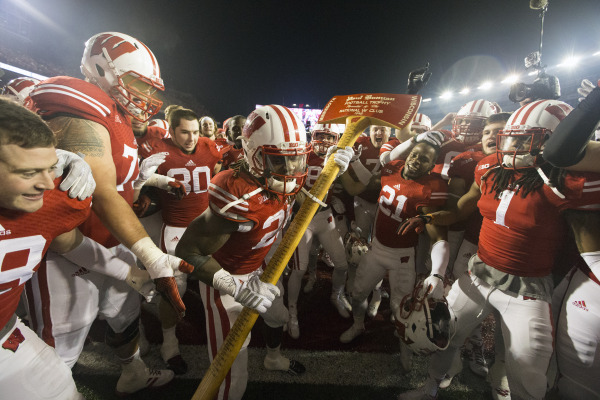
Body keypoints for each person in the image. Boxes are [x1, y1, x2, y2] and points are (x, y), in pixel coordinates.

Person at [398, 99, 600, 400]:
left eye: (525, 139)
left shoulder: (567, 181)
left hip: (528, 287)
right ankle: (430, 387)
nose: (512, 145)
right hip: (478, 272)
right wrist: (429, 217)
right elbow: (461, 210)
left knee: (528, 372)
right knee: (446, 335)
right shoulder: (489, 167)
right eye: (512, 136)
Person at [26, 32, 191, 395]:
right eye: (135, 82)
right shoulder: (82, 102)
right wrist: (151, 255)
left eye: (150, 88)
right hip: (67, 252)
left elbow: (117, 190)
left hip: (112, 240)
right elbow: (101, 192)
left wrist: (140, 189)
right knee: (60, 348)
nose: (145, 96)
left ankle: (131, 372)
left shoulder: (119, 118)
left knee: (124, 316)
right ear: (100, 69)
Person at [176, 105, 353, 400]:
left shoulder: (286, 172)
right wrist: (235, 287)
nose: (293, 169)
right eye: (282, 161)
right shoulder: (236, 193)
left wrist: (331, 170)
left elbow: (297, 200)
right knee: (232, 380)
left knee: (278, 317)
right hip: (225, 282)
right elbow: (187, 252)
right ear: (254, 155)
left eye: (298, 158)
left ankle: (272, 357)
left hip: (262, 269)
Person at [0, 98, 94, 400]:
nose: (46, 183)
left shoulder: (48, 204)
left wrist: (133, 270)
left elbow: (66, 241)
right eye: (28, 172)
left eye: (49, 168)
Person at [338, 141, 448, 373]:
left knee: (400, 307)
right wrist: (345, 164)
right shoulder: (391, 168)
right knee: (357, 293)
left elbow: (436, 231)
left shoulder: (430, 188)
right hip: (377, 249)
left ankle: (404, 346)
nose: (417, 160)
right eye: (415, 155)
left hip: (403, 257)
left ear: (431, 166)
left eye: (424, 159)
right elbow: (362, 186)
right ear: (409, 154)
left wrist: (438, 269)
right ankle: (358, 325)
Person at [138, 107, 223, 373]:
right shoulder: (156, 149)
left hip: (206, 227)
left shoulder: (209, 147)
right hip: (175, 228)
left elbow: (217, 171)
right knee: (176, 290)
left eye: (195, 132)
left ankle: (221, 332)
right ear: (171, 131)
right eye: (184, 132)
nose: (191, 138)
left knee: (218, 281)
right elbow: (133, 179)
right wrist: (152, 178)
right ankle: (169, 342)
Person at [287, 123, 354, 339]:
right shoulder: (301, 155)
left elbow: (348, 187)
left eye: (329, 136)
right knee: (298, 269)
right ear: (312, 136)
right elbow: (292, 189)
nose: (325, 141)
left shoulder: (337, 156)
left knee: (342, 264)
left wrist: (334, 194)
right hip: (303, 217)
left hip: (325, 216)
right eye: (321, 135)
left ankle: (336, 294)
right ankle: (292, 310)